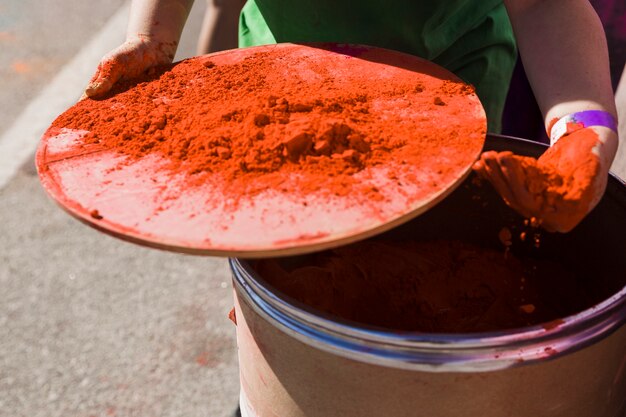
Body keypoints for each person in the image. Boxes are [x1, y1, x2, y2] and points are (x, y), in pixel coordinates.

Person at [84, 0, 619, 233]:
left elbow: (544, 5)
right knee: (289, 263)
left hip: (446, 96)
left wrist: (585, 129)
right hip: (276, 95)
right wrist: (151, 38)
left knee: (430, 254)